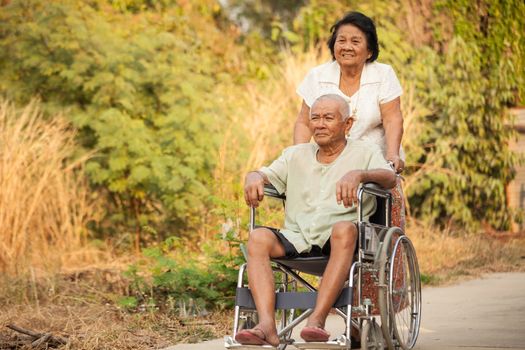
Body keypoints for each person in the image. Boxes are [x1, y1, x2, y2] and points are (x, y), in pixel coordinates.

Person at [235, 94, 396, 346]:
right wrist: (253, 176)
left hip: (341, 241)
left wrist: (360, 175)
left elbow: (390, 178)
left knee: (344, 228)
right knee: (258, 237)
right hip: (298, 237)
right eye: (315, 118)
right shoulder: (295, 155)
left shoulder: (365, 152)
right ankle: (267, 325)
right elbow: (264, 174)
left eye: (328, 118)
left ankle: (317, 321)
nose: (319, 124)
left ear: (347, 124)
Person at [294, 11, 406, 229]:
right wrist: (299, 157)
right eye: (341, 40)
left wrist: (392, 155)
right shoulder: (318, 76)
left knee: (383, 220)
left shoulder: (383, 74)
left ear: (369, 50)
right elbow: (304, 121)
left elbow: (393, 118)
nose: (346, 46)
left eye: (355, 41)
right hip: (329, 161)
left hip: (372, 161)